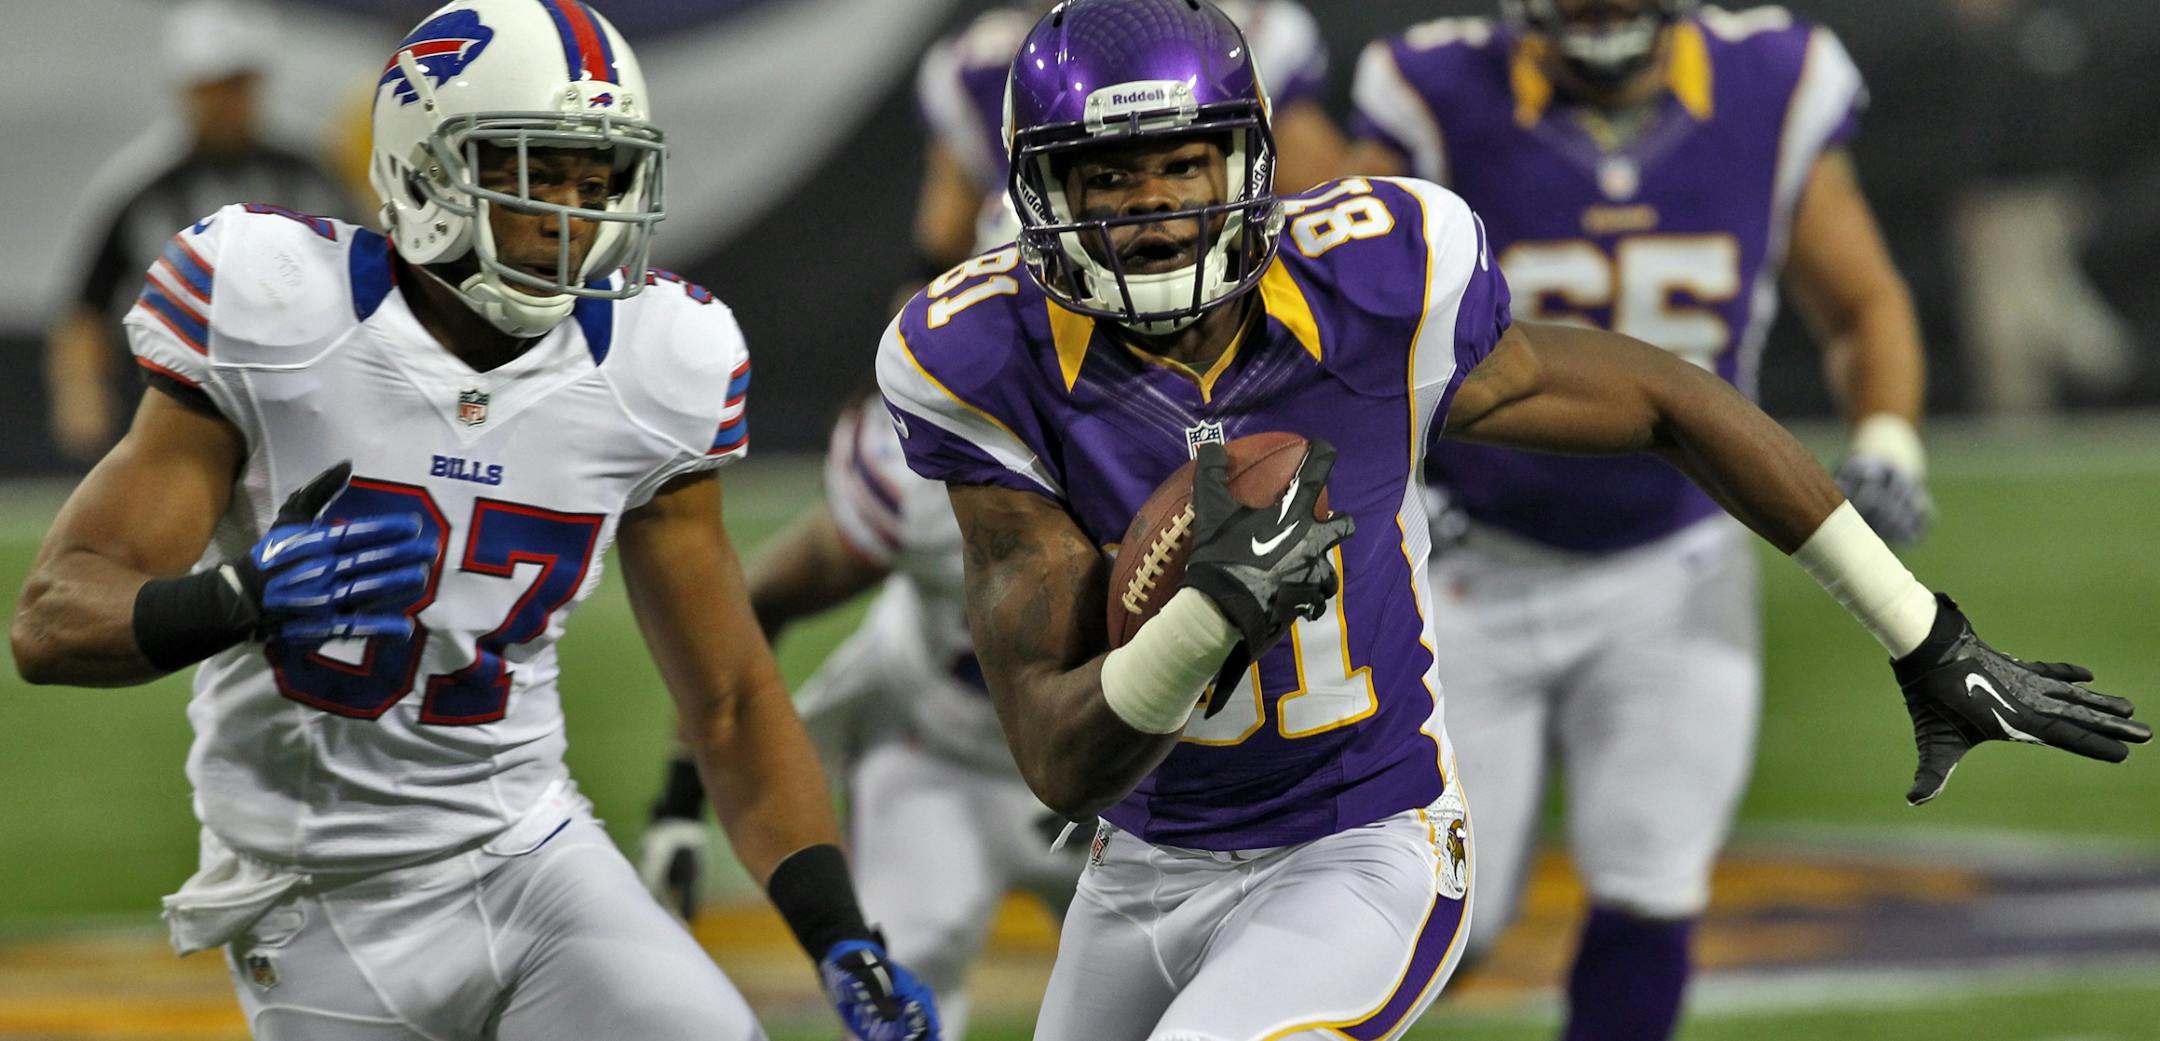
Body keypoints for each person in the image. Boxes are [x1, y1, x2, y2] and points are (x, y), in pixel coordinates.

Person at [872, 2, 2149, 1040]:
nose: (1151, 206)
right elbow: (1058, 755)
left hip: (1358, 849)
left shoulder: (1378, 285)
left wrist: (1924, 634)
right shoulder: (978, 356)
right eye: (1107, 178)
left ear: (1250, 161)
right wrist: (1211, 612)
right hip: (1140, 864)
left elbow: (1667, 398)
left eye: (1180, 164)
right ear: (1038, 193)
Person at [7, 2, 936, 1040]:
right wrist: (239, 599)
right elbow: (52, 622)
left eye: (601, 181)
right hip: (314, 894)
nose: (578, 217)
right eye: (541, 174)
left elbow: (727, 696)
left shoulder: (654, 365)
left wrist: (837, 930)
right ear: (426, 168)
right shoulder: (280, 315)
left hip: (528, 851)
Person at [1345, 3, 1932, 1037]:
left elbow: (1859, 303)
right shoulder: (1434, 92)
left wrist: (1887, 434)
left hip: (1677, 564)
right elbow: (1338, 308)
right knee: (1437, 914)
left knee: (1652, 884)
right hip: (1469, 564)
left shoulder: (1771, 81)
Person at [641, 389, 1085, 1040]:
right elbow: (760, 600)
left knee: (1173, 999)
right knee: (895, 1006)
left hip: (1113, 772)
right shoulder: (917, 471)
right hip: (937, 755)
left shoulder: (1139, 451)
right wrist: (679, 799)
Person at [46, 0, 357, 464]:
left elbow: (373, 268)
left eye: (239, 85)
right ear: (187, 89)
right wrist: (80, 392)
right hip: (184, 402)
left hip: (310, 394)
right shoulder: (143, 186)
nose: (229, 102)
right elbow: (88, 305)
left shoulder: (312, 171)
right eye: (215, 87)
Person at [911, 0, 1343, 276]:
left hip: (1215, 278)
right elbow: (946, 244)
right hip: (1061, 291)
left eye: (1179, 164)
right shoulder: (971, 66)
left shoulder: (1238, 35)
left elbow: (1319, 205)